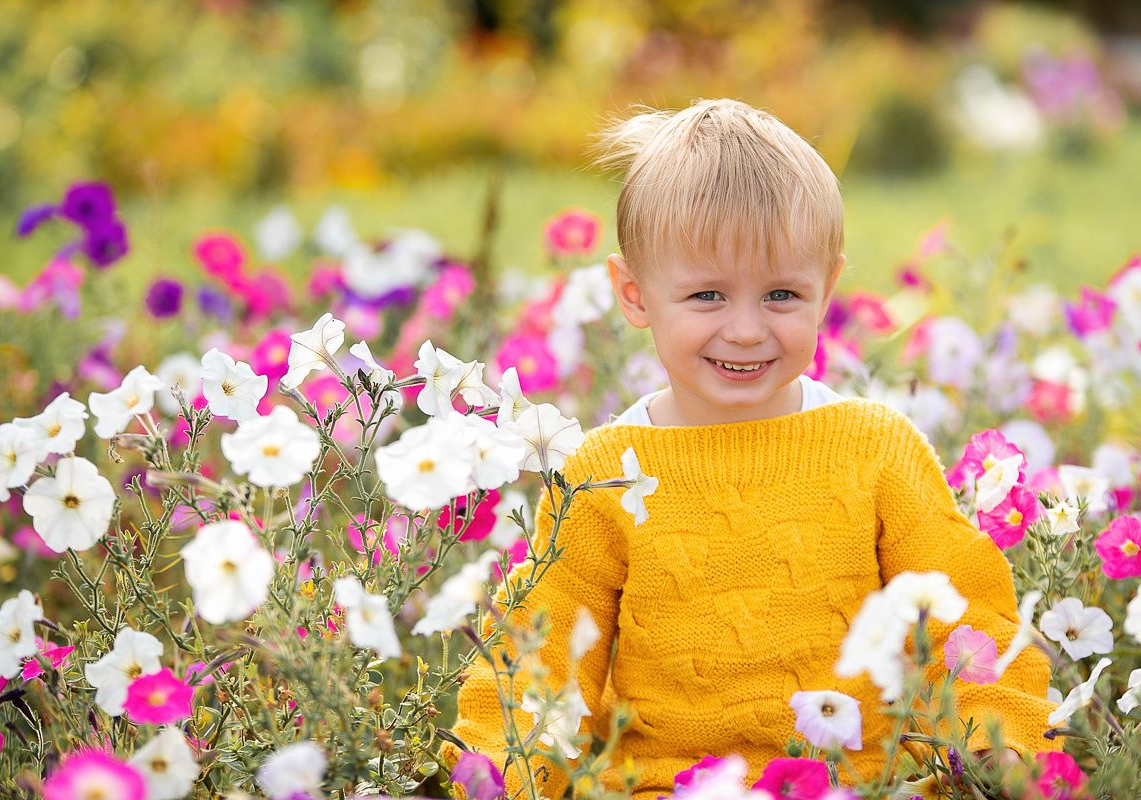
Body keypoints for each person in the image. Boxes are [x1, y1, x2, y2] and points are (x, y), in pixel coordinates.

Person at [443, 98, 1058, 799]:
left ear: (827, 288)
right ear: (634, 294)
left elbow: (968, 620)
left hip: (859, 784)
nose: (744, 330)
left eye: (781, 295)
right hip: (667, 787)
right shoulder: (602, 475)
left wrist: (1003, 752)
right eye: (707, 295)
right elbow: (541, 651)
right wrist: (503, 773)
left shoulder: (877, 448)